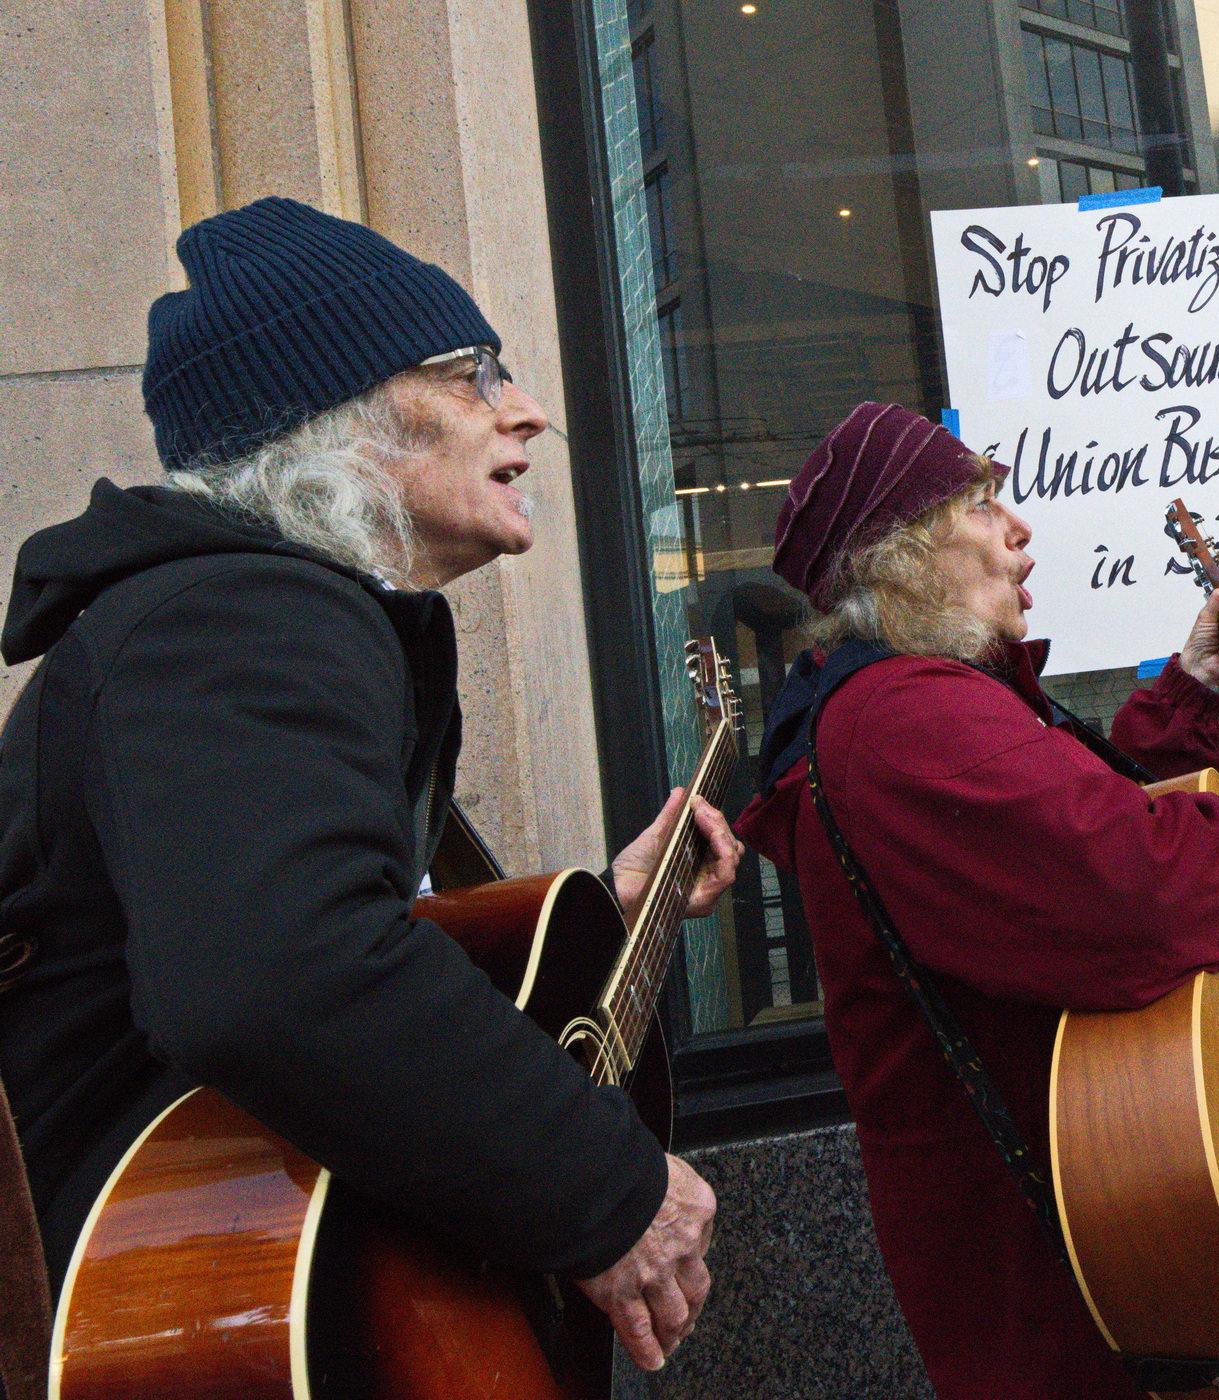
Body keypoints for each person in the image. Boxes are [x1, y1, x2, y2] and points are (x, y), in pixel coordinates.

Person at [0, 197, 739, 1380]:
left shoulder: (244, 613)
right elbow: (280, 971)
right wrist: (606, 1188)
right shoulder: (241, 611)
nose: (525, 408)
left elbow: (304, 932)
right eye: (470, 371)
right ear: (335, 411)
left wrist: (604, 905)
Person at [735, 401, 1219, 1400]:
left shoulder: (915, 704)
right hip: (1067, 1267)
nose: (1019, 526)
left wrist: (1189, 690)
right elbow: (1119, 885)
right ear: (901, 557)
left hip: (1109, 1226)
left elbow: (1073, 821)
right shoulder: (900, 716)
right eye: (981, 504)